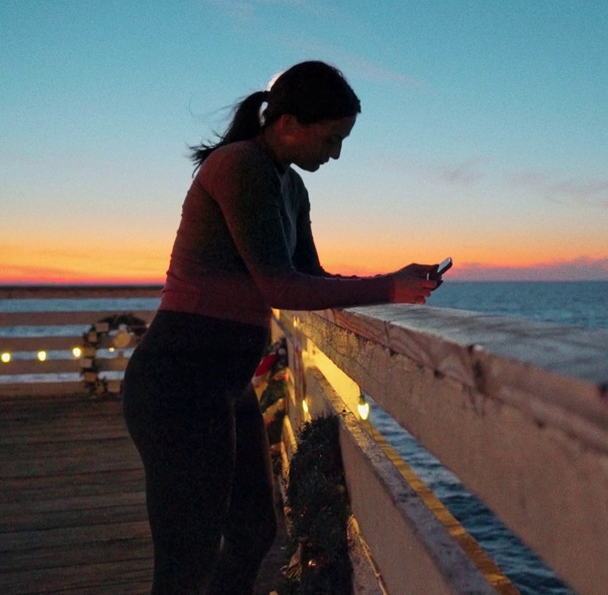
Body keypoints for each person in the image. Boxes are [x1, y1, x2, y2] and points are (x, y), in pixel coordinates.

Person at [122, 60, 440, 594]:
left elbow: (310, 278)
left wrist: (395, 283)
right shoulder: (237, 165)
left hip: (226, 382)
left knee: (253, 530)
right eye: (332, 138)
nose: (336, 154)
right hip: (178, 382)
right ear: (288, 123)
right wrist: (388, 286)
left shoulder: (291, 187)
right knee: (186, 560)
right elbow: (280, 288)